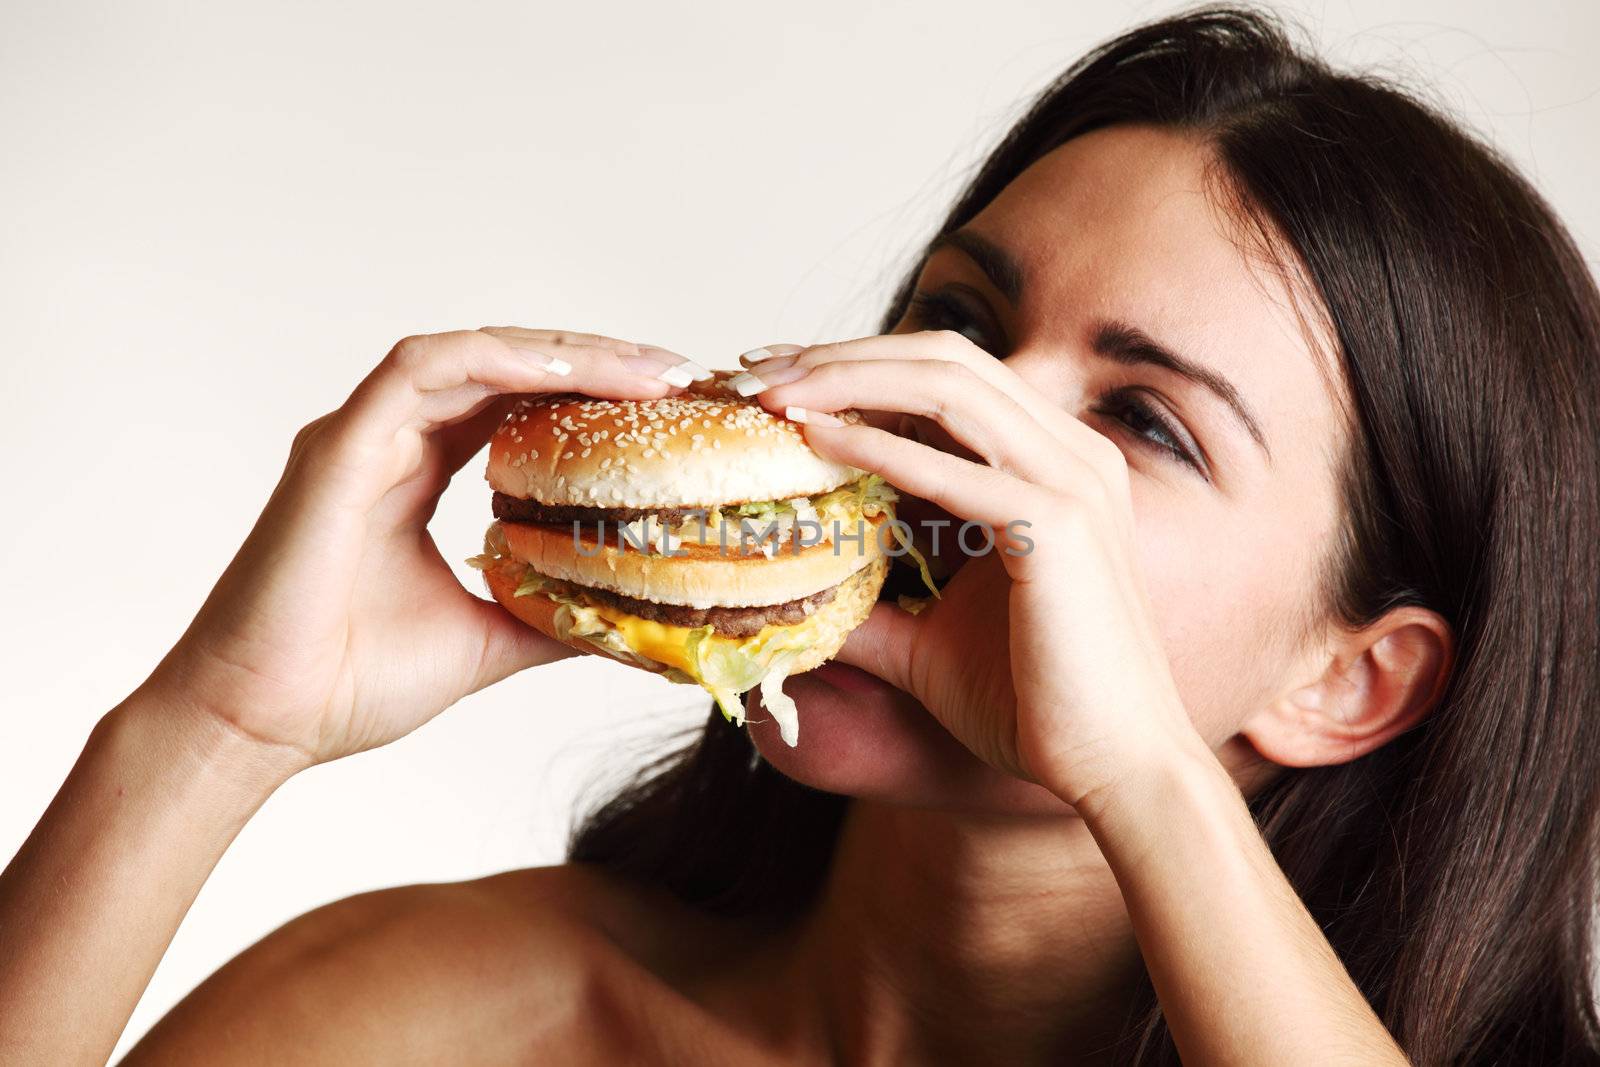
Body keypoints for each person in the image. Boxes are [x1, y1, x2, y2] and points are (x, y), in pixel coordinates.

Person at [3, 8, 1598, 1065]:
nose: (958, 427)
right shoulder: (450, 1011)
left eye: (1140, 421)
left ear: (1354, 684)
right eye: (962, 321)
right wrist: (212, 728)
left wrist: (1145, 786)